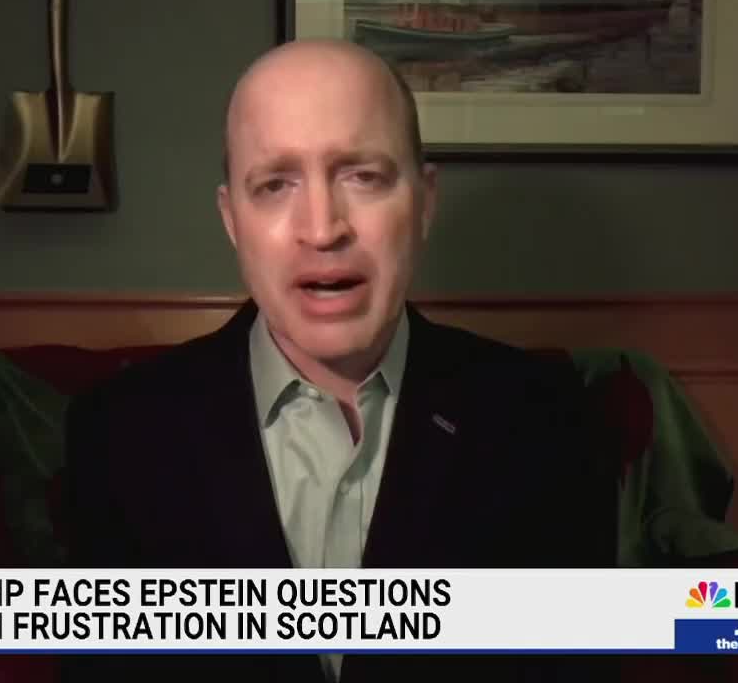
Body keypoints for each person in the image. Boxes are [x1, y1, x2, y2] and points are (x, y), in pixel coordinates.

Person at [63, 38, 618, 682]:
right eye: (275, 184)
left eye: (363, 176)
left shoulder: (547, 421)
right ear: (232, 220)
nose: (323, 228)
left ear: (425, 202)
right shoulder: (119, 433)